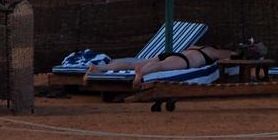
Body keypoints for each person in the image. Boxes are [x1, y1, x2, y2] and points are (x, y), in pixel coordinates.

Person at [84, 45, 235, 88]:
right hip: (183, 61)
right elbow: (230, 55)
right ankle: (141, 73)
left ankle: (100, 68)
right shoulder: (213, 51)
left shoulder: (195, 46)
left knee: (132, 63)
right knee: (161, 66)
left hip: (172, 53)